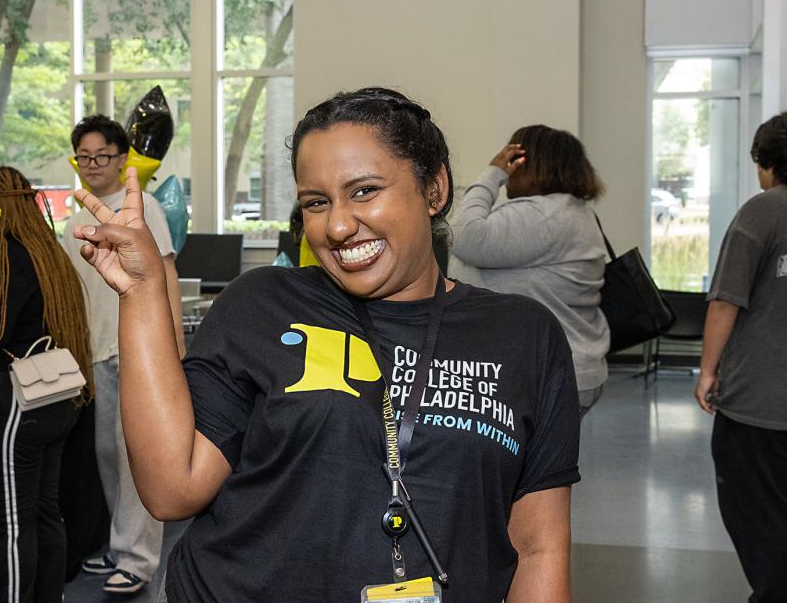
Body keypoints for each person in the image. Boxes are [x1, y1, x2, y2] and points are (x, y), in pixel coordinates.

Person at [71, 87, 580, 602]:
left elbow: (538, 547)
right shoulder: (262, 304)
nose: (337, 225)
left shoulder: (523, 336)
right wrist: (140, 292)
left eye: (364, 191)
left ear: (435, 187)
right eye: (317, 202)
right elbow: (170, 488)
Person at [62, 114, 184, 595]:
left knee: (137, 455)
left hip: (137, 348)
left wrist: (172, 342)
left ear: (121, 158)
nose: (92, 164)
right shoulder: (74, 220)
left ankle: (138, 558)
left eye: (102, 155)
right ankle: (120, 546)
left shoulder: (144, 206)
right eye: (84, 156)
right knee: (108, 454)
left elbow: (166, 274)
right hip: (94, 350)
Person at [448, 125, 610, 416]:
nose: (509, 169)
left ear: (528, 164)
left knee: (525, 462)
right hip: (569, 367)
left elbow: (462, 236)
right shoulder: (571, 212)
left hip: (548, 374)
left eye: (513, 160)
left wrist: (492, 174)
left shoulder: (544, 215)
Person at [0, 166, 93, 603]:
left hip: (16, 404)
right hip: (59, 399)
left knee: (9, 523)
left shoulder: (5, 256)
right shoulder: (48, 251)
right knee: (46, 513)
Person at [694, 111, 787, 603]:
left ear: (766, 163)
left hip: (759, 410)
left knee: (761, 523)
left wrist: (708, 370)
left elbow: (726, 299)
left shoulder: (762, 212)